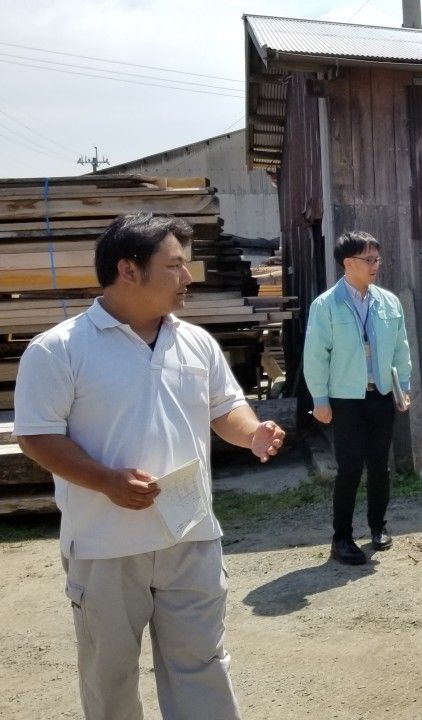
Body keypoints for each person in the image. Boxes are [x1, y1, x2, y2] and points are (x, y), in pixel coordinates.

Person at [14, 213, 286, 720]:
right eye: (175, 265)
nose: (188, 278)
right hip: (105, 543)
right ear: (128, 270)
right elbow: (36, 435)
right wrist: (105, 480)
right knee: (110, 677)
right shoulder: (58, 350)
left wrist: (253, 433)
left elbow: (225, 407)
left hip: (191, 535)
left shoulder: (195, 342)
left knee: (202, 665)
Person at [303, 230, 412, 566]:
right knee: (349, 468)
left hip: (380, 394)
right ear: (348, 263)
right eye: (369, 259)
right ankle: (342, 538)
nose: (375, 265)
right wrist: (320, 399)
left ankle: (378, 527)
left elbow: (400, 348)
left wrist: (402, 386)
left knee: (380, 465)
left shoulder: (388, 302)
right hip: (345, 399)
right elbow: (316, 355)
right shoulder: (326, 305)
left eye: (377, 259)